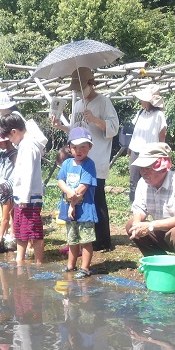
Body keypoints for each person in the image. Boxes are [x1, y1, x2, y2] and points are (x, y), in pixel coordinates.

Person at [51, 67, 119, 252]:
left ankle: (103, 240)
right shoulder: (78, 105)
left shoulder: (103, 102)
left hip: (95, 159)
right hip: (78, 161)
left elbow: (114, 128)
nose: (78, 92)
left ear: (91, 83)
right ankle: (85, 238)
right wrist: (61, 126)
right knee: (81, 199)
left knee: (97, 199)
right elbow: (75, 131)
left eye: (80, 87)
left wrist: (96, 120)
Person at [126, 143, 175, 279]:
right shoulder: (143, 183)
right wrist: (138, 224)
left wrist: (150, 226)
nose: (143, 172)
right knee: (131, 225)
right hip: (161, 232)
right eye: (141, 168)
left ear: (162, 167)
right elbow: (139, 209)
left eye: (148, 168)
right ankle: (160, 263)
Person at [0, 113, 44, 265]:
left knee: (33, 231)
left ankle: (37, 263)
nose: (11, 141)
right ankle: (20, 259)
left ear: (14, 132)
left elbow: (28, 172)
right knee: (21, 230)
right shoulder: (24, 144)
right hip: (23, 196)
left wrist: (24, 197)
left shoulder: (28, 146)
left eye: (9, 138)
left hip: (29, 197)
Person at [57, 127, 98, 279]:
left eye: (83, 147)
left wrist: (72, 204)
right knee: (72, 239)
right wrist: (68, 192)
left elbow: (82, 189)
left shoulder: (89, 165)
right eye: (74, 147)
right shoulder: (67, 163)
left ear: (90, 147)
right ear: (69, 148)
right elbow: (60, 180)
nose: (78, 151)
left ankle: (85, 268)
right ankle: (70, 265)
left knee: (86, 240)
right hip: (69, 207)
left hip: (84, 210)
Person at [127, 84, 167, 203]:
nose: (141, 101)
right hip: (135, 149)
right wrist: (129, 147)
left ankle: (150, 203)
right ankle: (134, 205)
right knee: (133, 179)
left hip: (150, 152)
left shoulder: (159, 115)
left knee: (150, 178)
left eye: (143, 100)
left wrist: (162, 152)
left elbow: (162, 134)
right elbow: (136, 131)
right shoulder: (141, 113)